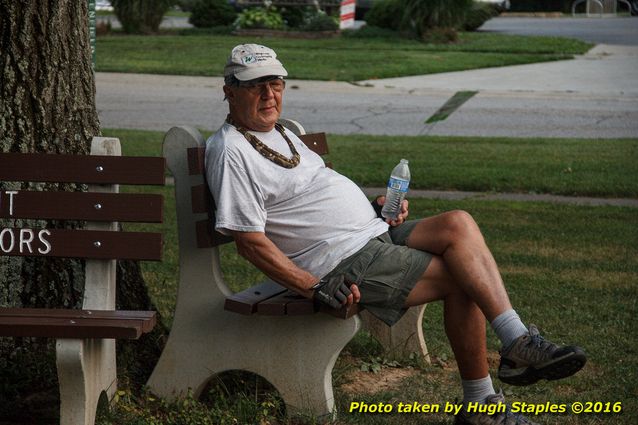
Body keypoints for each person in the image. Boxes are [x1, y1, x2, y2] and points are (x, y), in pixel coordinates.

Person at [205, 44, 587, 425]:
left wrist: (375, 208)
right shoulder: (231, 151)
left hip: (372, 234)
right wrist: (313, 286)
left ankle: (516, 341)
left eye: (276, 83)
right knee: (463, 277)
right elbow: (249, 241)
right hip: (341, 261)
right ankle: (483, 405)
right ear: (230, 91)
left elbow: (311, 200)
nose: (269, 94)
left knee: (458, 221)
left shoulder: (282, 133)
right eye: (256, 85)